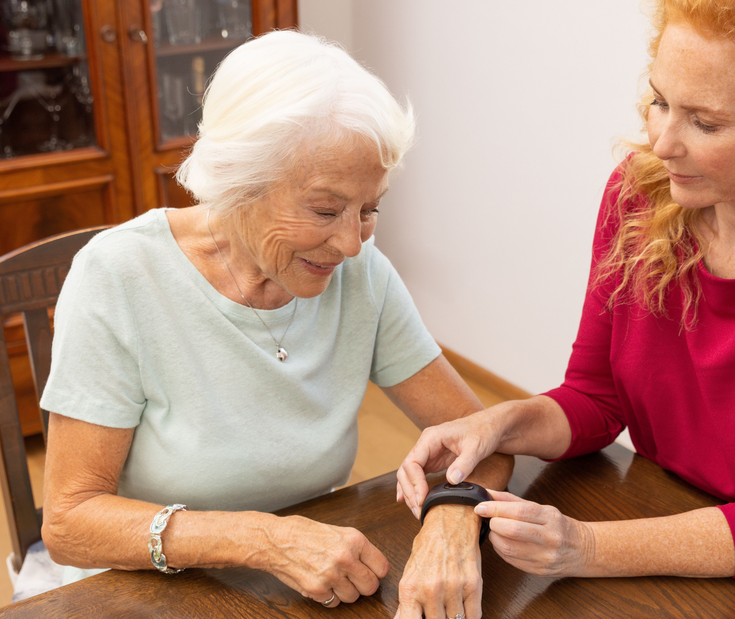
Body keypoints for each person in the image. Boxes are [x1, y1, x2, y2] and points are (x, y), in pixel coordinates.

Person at [397, 0, 735, 587]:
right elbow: (596, 398)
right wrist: (497, 425)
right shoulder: (638, 194)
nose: (662, 143)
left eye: (705, 123)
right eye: (661, 102)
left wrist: (584, 546)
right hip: (662, 521)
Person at [39, 30, 512, 618]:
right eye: (325, 209)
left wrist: (452, 518)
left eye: (370, 209)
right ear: (239, 180)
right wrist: (264, 539)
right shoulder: (119, 275)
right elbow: (70, 522)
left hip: (304, 586)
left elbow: (480, 437)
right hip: (147, 593)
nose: (352, 244)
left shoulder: (363, 275)